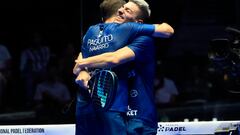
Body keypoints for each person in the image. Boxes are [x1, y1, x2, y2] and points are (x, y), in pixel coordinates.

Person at [74, 0, 174, 134]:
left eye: (128, 11)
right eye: (122, 7)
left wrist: (82, 62)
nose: (120, 11)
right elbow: (80, 66)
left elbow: (114, 58)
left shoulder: (144, 39)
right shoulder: (112, 38)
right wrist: (82, 71)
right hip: (117, 112)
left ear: (138, 22)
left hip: (139, 117)